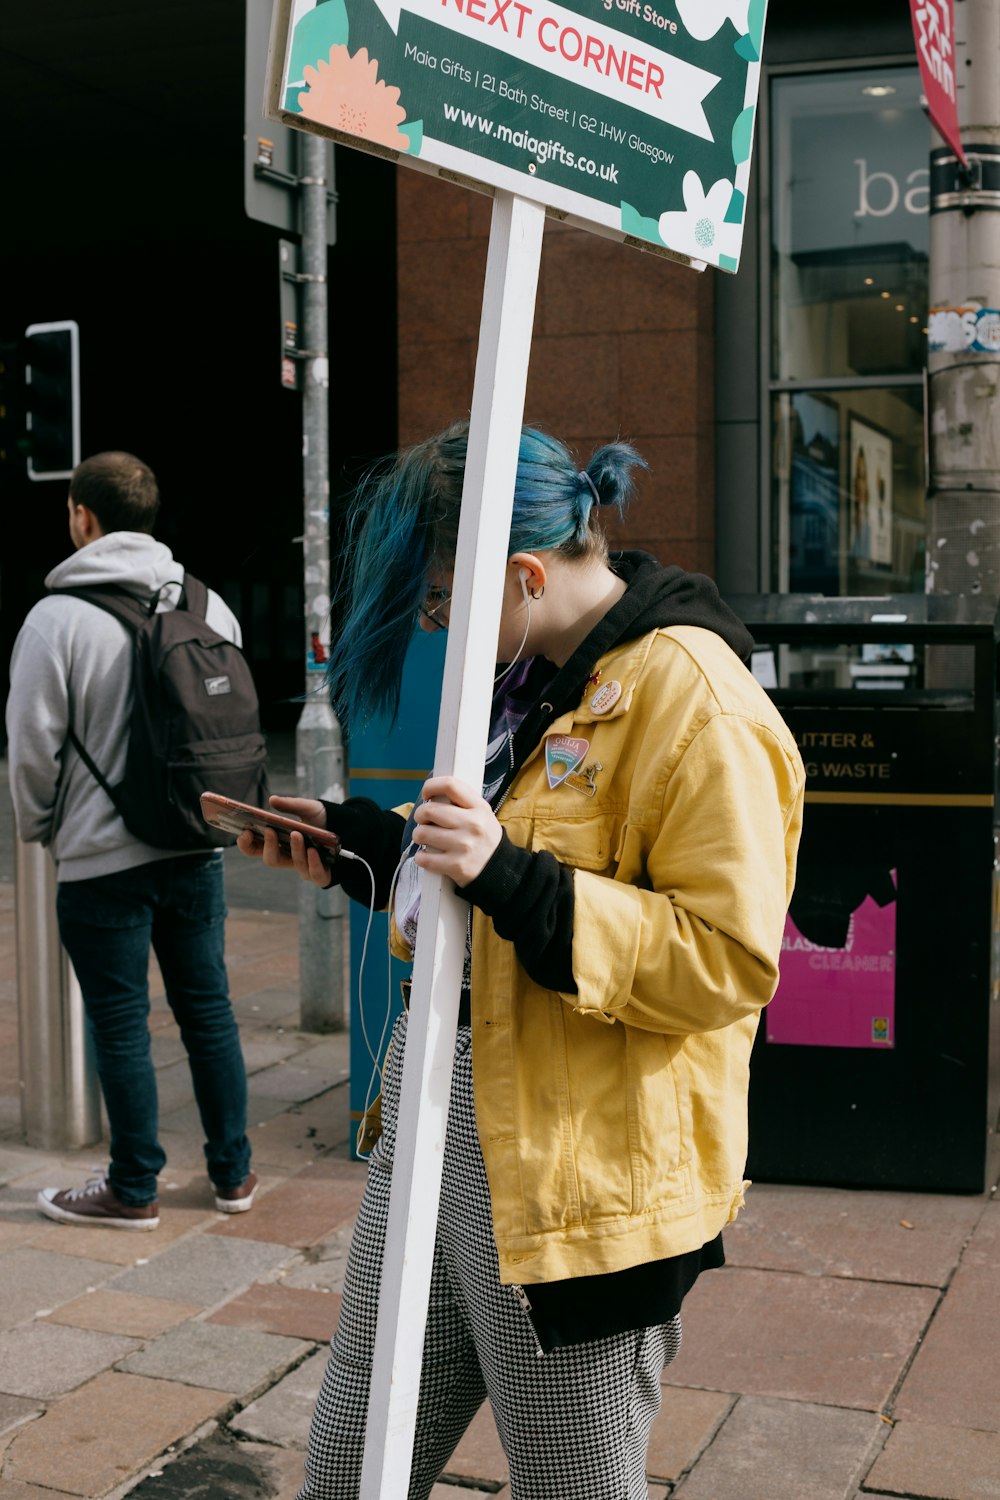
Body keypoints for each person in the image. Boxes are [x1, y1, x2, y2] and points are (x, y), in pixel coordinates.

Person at [239, 422, 805, 1499]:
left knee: (572, 1484)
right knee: (349, 1472)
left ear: (526, 574)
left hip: (572, 1188)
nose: (437, 623)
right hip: (431, 1133)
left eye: (445, 597)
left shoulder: (698, 701)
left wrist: (513, 879)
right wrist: (364, 842)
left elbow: (725, 961)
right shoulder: (532, 673)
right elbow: (488, 844)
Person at [6, 451, 257, 1230]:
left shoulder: (55, 619)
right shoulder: (212, 609)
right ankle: (233, 1175)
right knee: (207, 1010)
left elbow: (31, 747)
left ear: (82, 516)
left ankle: (134, 1187)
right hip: (195, 844)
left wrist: (41, 830)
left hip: (102, 859)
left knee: (119, 1022)